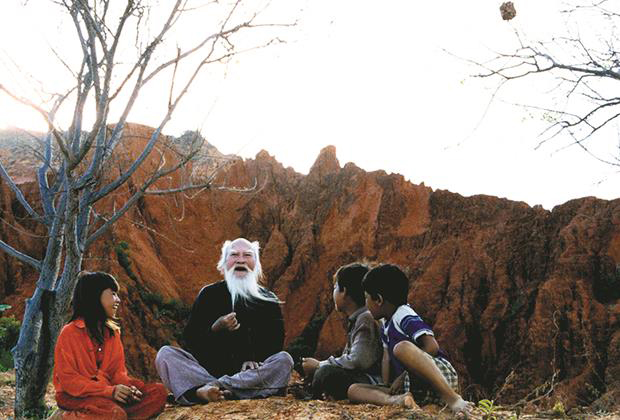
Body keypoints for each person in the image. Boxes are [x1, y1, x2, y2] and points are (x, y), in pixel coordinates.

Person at [156, 238, 293, 405]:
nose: (240, 260)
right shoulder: (208, 295)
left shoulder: (268, 299)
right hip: (208, 372)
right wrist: (215, 329)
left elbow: (275, 343)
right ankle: (227, 390)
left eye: (247, 255)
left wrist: (254, 358)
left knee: (284, 360)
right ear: (224, 264)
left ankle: (210, 389)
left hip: (249, 376)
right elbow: (191, 341)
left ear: (256, 264)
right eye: (234, 255)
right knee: (165, 354)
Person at [348, 263, 473, 417]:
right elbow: (386, 358)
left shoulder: (403, 314)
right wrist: (389, 385)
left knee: (401, 348)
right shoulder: (385, 324)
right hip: (414, 387)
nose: (365, 303)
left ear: (379, 300)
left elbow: (432, 346)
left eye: (366, 298)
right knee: (354, 390)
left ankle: (453, 400)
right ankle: (398, 400)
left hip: (438, 378)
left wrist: (404, 375)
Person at [53, 272, 168, 419]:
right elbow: (70, 382)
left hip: (107, 396)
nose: (118, 300)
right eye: (113, 294)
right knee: (113, 413)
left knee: (158, 392)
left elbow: (118, 373)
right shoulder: (69, 333)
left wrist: (130, 389)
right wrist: (110, 391)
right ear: (94, 297)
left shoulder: (112, 333)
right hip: (75, 396)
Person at [300, 262, 387, 401]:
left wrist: (319, 365)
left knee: (326, 373)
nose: (333, 292)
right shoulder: (360, 318)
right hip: (361, 379)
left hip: (369, 382)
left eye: (335, 287)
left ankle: (314, 394)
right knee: (324, 373)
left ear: (344, 291)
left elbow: (358, 361)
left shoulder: (366, 318)